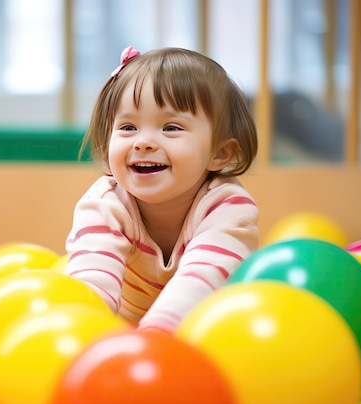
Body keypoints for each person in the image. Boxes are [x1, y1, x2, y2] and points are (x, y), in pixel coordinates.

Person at [64, 46, 259, 333]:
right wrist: (80, 333)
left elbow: (200, 280)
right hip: (125, 334)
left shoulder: (227, 206)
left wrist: (155, 338)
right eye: (128, 127)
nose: (143, 142)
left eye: (170, 128)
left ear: (219, 152)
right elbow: (90, 287)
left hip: (206, 333)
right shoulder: (105, 204)